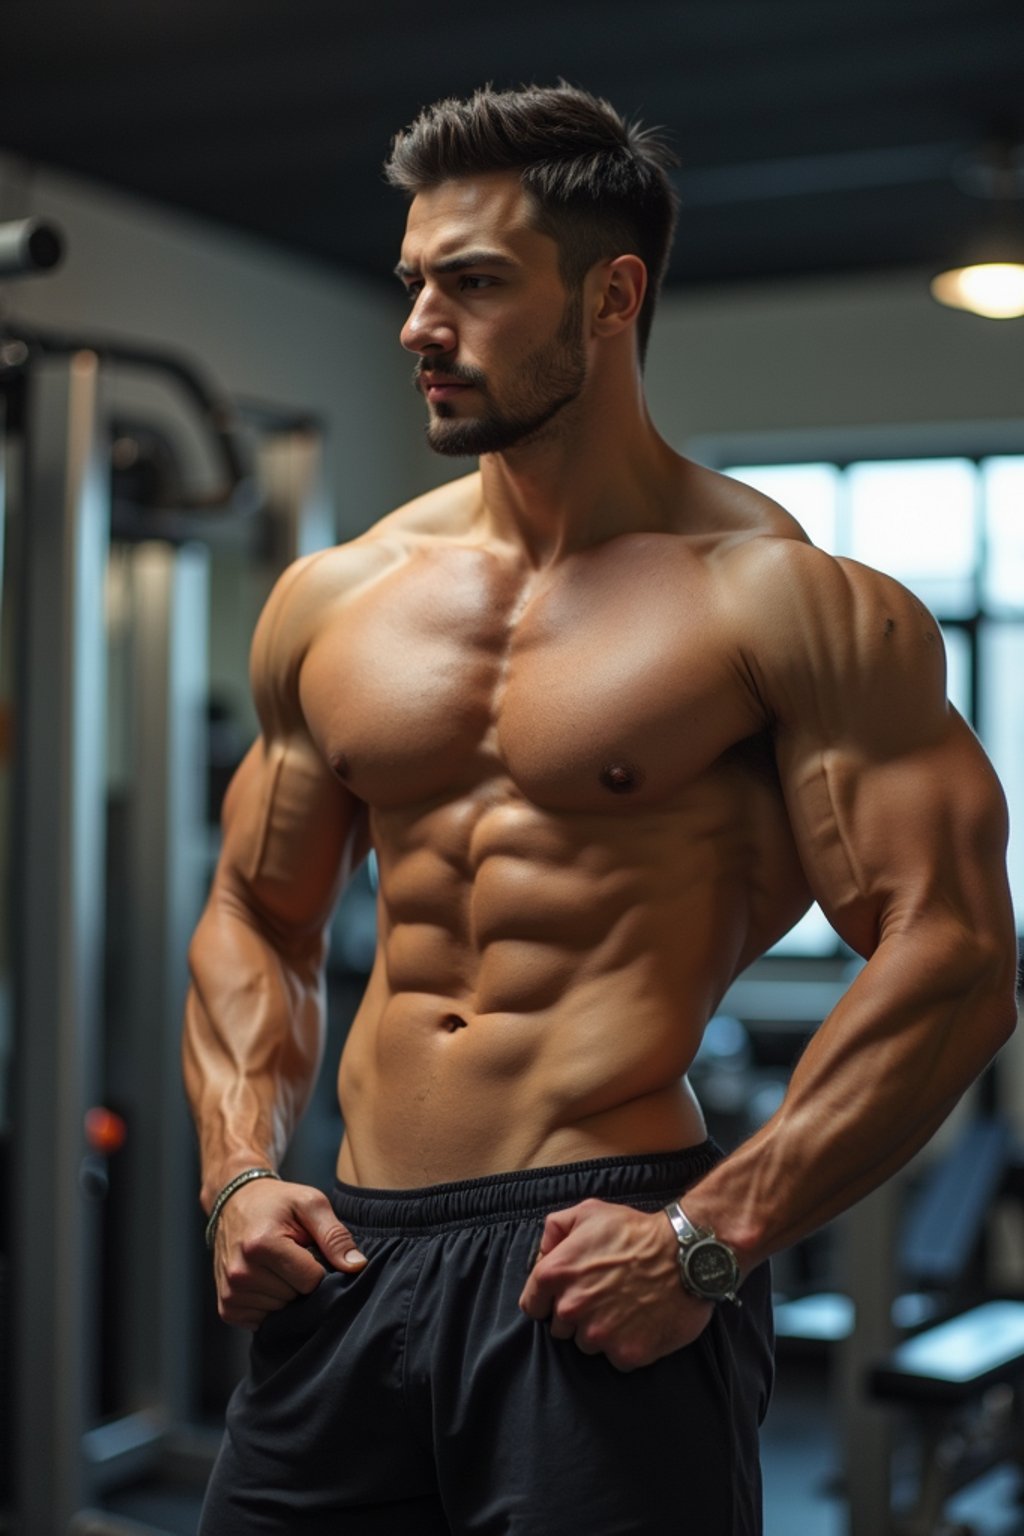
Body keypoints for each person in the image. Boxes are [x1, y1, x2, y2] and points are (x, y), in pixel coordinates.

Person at [186, 83, 1018, 1535]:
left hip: (602, 1252)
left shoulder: (778, 602)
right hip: (350, 1252)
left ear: (611, 295)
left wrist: (710, 1239)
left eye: (474, 284)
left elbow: (953, 954)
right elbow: (259, 908)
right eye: (410, 284)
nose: (417, 328)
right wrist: (238, 1173)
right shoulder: (337, 599)